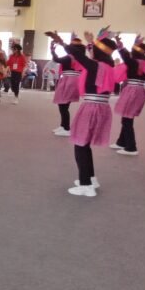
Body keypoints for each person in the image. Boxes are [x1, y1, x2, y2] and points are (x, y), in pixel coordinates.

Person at [47, 29, 116, 198]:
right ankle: (90, 178)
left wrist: (61, 42)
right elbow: (82, 55)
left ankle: (86, 185)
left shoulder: (95, 65)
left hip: (92, 107)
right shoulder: (108, 65)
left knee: (80, 144)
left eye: (93, 49)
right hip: (100, 106)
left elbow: (78, 55)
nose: (90, 51)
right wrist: (91, 42)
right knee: (84, 144)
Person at [110, 35, 145, 156]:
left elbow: (126, 57)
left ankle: (131, 147)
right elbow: (128, 57)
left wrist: (120, 46)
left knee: (127, 119)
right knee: (127, 117)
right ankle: (121, 142)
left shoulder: (134, 62)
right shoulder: (144, 63)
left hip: (133, 90)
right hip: (138, 90)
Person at [50, 38, 83, 137]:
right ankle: (63, 126)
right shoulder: (79, 57)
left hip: (69, 80)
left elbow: (56, 60)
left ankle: (67, 128)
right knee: (63, 105)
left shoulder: (70, 57)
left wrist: (52, 50)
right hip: (71, 80)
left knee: (63, 105)